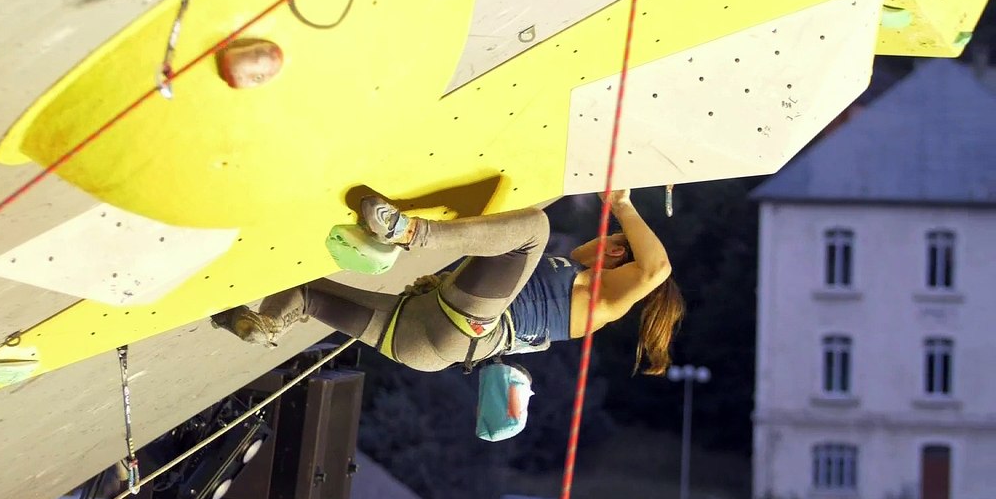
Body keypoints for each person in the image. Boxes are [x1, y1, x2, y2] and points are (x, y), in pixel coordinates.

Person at [212, 190, 684, 376]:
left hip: (461, 327)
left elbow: (656, 270)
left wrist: (623, 205)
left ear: (617, 251)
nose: (597, 237)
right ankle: (264, 323)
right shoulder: (574, 288)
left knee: (534, 230)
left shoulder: (602, 300)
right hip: (420, 345)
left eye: (611, 236)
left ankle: (406, 231)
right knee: (309, 293)